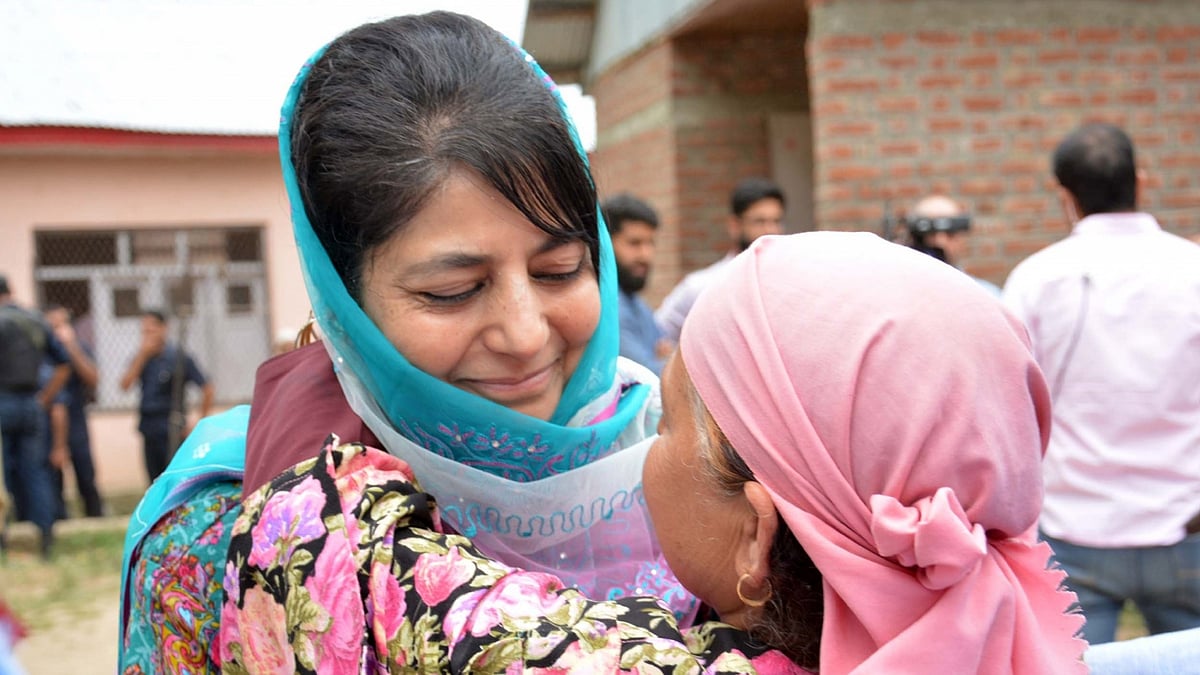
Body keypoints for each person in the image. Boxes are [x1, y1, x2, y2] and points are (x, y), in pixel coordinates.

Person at [221, 232, 1087, 673]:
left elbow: (344, 567)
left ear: (758, 536)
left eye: (665, 425)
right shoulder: (1007, 631)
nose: (525, 337)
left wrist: (317, 381)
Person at [118, 12, 686, 673]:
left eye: (558, 270)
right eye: (454, 291)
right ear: (343, 301)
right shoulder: (215, 528)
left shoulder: (688, 465)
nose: (526, 333)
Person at [1003, 122, 1200, 644]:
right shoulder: (1194, 268)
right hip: (1188, 523)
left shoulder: (1035, 279)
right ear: (1141, 180)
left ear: (1064, 195)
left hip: (1074, 525)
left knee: (1076, 665)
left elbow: (1010, 405)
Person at [654, 177, 785, 343]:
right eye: (759, 221)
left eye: (776, 221)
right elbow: (657, 337)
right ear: (734, 225)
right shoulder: (701, 286)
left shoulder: (787, 284)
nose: (770, 230)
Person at [0, 274, 70, 559]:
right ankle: (46, 537)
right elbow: (63, 364)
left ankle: (3, 539)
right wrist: (44, 399)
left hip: (3, 402)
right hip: (31, 404)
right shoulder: (36, 320)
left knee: (2, 475)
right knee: (36, 472)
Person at [119, 308, 214, 484]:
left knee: (173, 479)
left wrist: (200, 422)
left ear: (164, 329)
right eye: (144, 331)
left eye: (152, 330)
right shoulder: (142, 358)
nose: (148, 336)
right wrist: (142, 356)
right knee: (153, 480)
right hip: (149, 426)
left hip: (171, 425)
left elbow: (207, 388)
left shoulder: (178, 357)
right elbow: (125, 385)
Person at [43, 305, 104, 518]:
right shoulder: (43, 352)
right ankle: (59, 519)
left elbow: (93, 379)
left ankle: (95, 516)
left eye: (62, 324)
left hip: (76, 418)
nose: (58, 329)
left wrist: (72, 348)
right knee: (53, 476)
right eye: (53, 325)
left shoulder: (78, 347)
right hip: (48, 421)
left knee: (85, 473)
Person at [602, 193, 667, 376]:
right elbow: (649, 376)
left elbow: (667, 350)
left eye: (650, 243)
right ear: (605, 242)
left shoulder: (635, 302)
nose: (646, 255)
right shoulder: (607, 305)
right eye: (634, 243)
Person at [900, 193, 1001, 296]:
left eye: (950, 233)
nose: (940, 242)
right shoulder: (896, 293)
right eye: (930, 234)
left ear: (962, 238)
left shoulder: (986, 295)